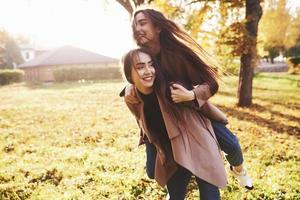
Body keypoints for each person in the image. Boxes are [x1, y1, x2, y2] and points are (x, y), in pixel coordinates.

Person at [120, 8, 253, 190]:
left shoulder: (177, 54)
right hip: (162, 120)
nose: (137, 28)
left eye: (142, 23)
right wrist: (130, 85)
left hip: (192, 113)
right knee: (153, 171)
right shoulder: (142, 54)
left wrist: (191, 95)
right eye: (135, 24)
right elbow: (134, 71)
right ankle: (183, 175)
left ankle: (238, 170)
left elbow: (211, 83)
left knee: (232, 145)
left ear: (158, 27)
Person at [122, 47, 227, 199]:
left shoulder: (170, 88)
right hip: (166, 146)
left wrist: (192, 96)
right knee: (155, 175)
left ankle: (234, 166)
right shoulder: (131, 97)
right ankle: (185, 169)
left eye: (151, 64)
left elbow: (203, 104)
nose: (148, 70)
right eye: (140, 67)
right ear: (129, 76)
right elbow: (140, 119)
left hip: (196, 139)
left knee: (210, 189)